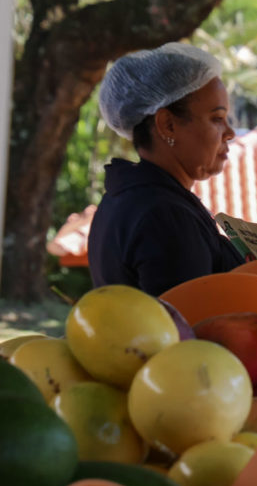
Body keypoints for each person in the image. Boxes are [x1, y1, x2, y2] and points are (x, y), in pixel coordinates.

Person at [88, 42, 242, 296]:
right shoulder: (165, 215)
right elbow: (190, 316)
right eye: (216, 118)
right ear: (167, 125)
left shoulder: (125, 198)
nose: (230, 133)